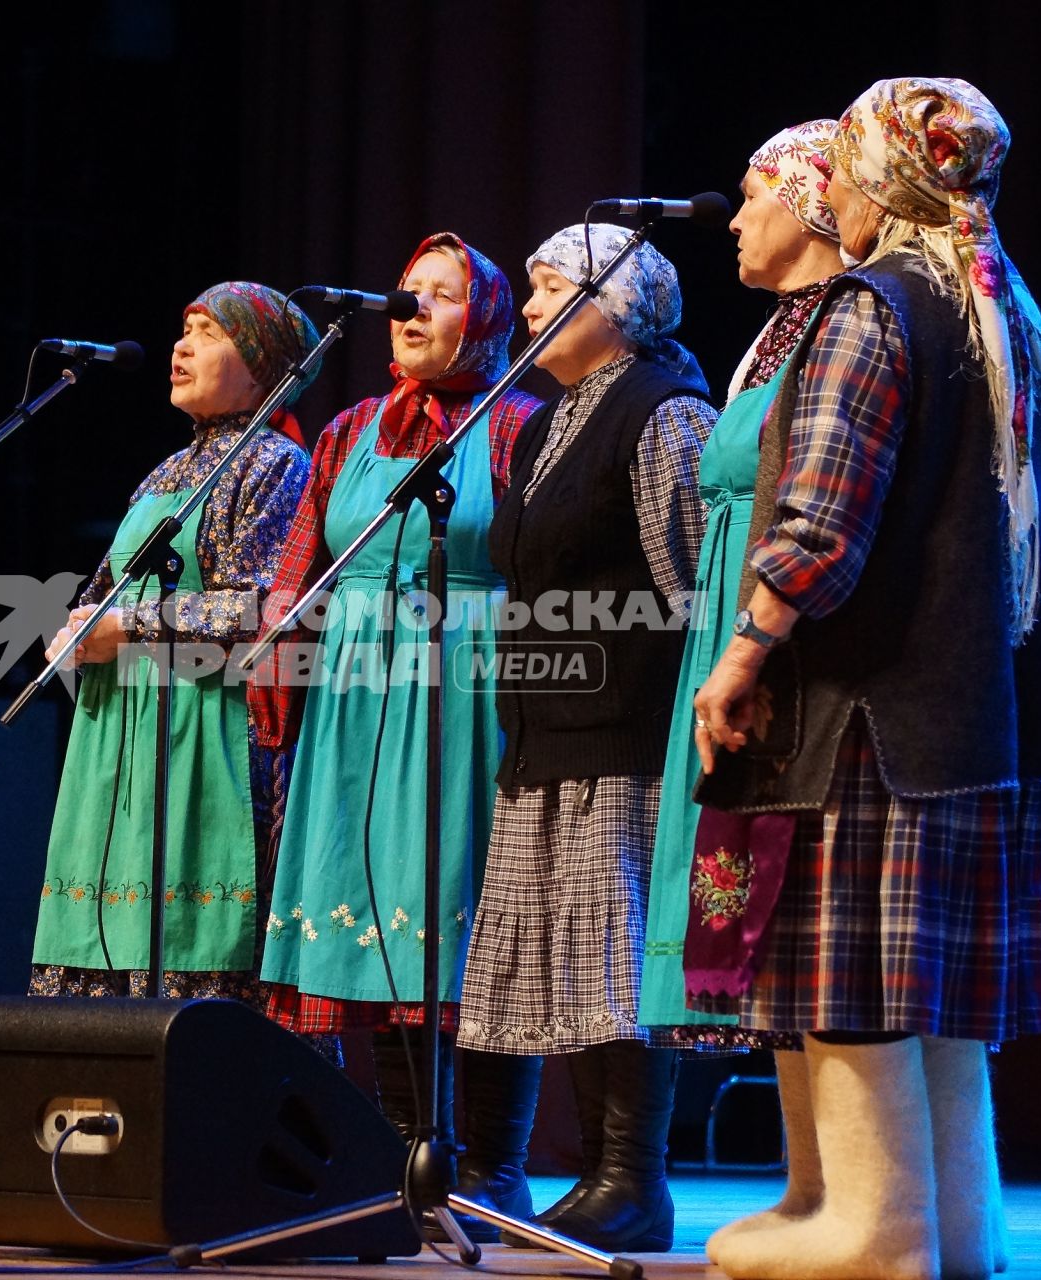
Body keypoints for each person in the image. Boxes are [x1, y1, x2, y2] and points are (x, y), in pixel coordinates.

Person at [688, 79, 1041, 1280]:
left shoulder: (875, 304)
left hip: (869, 707)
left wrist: (741, 650)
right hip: (972, 712)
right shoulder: (995, 311)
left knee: (856, 968)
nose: (833, 193)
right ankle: (957, 1224)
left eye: (846, 169)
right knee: (937, 989)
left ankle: (878, 1228)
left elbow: (819, 518)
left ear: (890, 179)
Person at [251, 235, 543, 1234]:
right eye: (402, 296)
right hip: (352, 696)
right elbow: (300, 564)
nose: (411, 312)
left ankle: (490, 1165)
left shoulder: (515, 427)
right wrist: (276, 653)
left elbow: (547, 569)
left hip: (468, 683)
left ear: (490, 315)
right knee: (362, 913)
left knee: (467, 917)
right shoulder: (347, 430)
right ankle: (399, 1154)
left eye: (440, 295)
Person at [454, 225, 716, 1252]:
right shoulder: (552, 418)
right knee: (557, 959)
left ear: (616, 304)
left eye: (549, 286)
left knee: (616, 963)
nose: (525, 309)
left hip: (626, 732)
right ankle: (541, 1170)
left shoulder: (663, 414)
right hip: (543, 731)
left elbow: (695, 583)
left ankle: (632, 1179)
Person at [633, 120, 848, 1255]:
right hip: (724, 636)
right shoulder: (771, 337)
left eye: (755, 192)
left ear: (812, 204)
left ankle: (836, 1189)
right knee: (747, 921)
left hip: (777, 651)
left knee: (792, 917)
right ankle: (807, 1185)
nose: (733, 217)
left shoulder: (839, 331)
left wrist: (751, 646)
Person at [28, 282, 314, 1005]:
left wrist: (129, 627)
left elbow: (257, 608)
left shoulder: (273, 464)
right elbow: (106, 589)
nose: (181, 347)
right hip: (115, 736)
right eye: (183, 330)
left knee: (190, 960)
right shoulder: (165, 472)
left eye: (207, 334)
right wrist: (75, 626)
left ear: (262, 368)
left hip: (201, 733)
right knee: (100, 941)